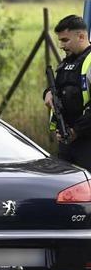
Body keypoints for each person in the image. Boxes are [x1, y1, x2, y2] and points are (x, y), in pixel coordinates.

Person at [44, 14, 91, 170]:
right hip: (66, 142)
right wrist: (48, 93)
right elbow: (59, 88)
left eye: (65, 40)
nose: (61, 46)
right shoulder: (66, 62)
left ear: (82, 36)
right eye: (60, 41)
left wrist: (75, 131)